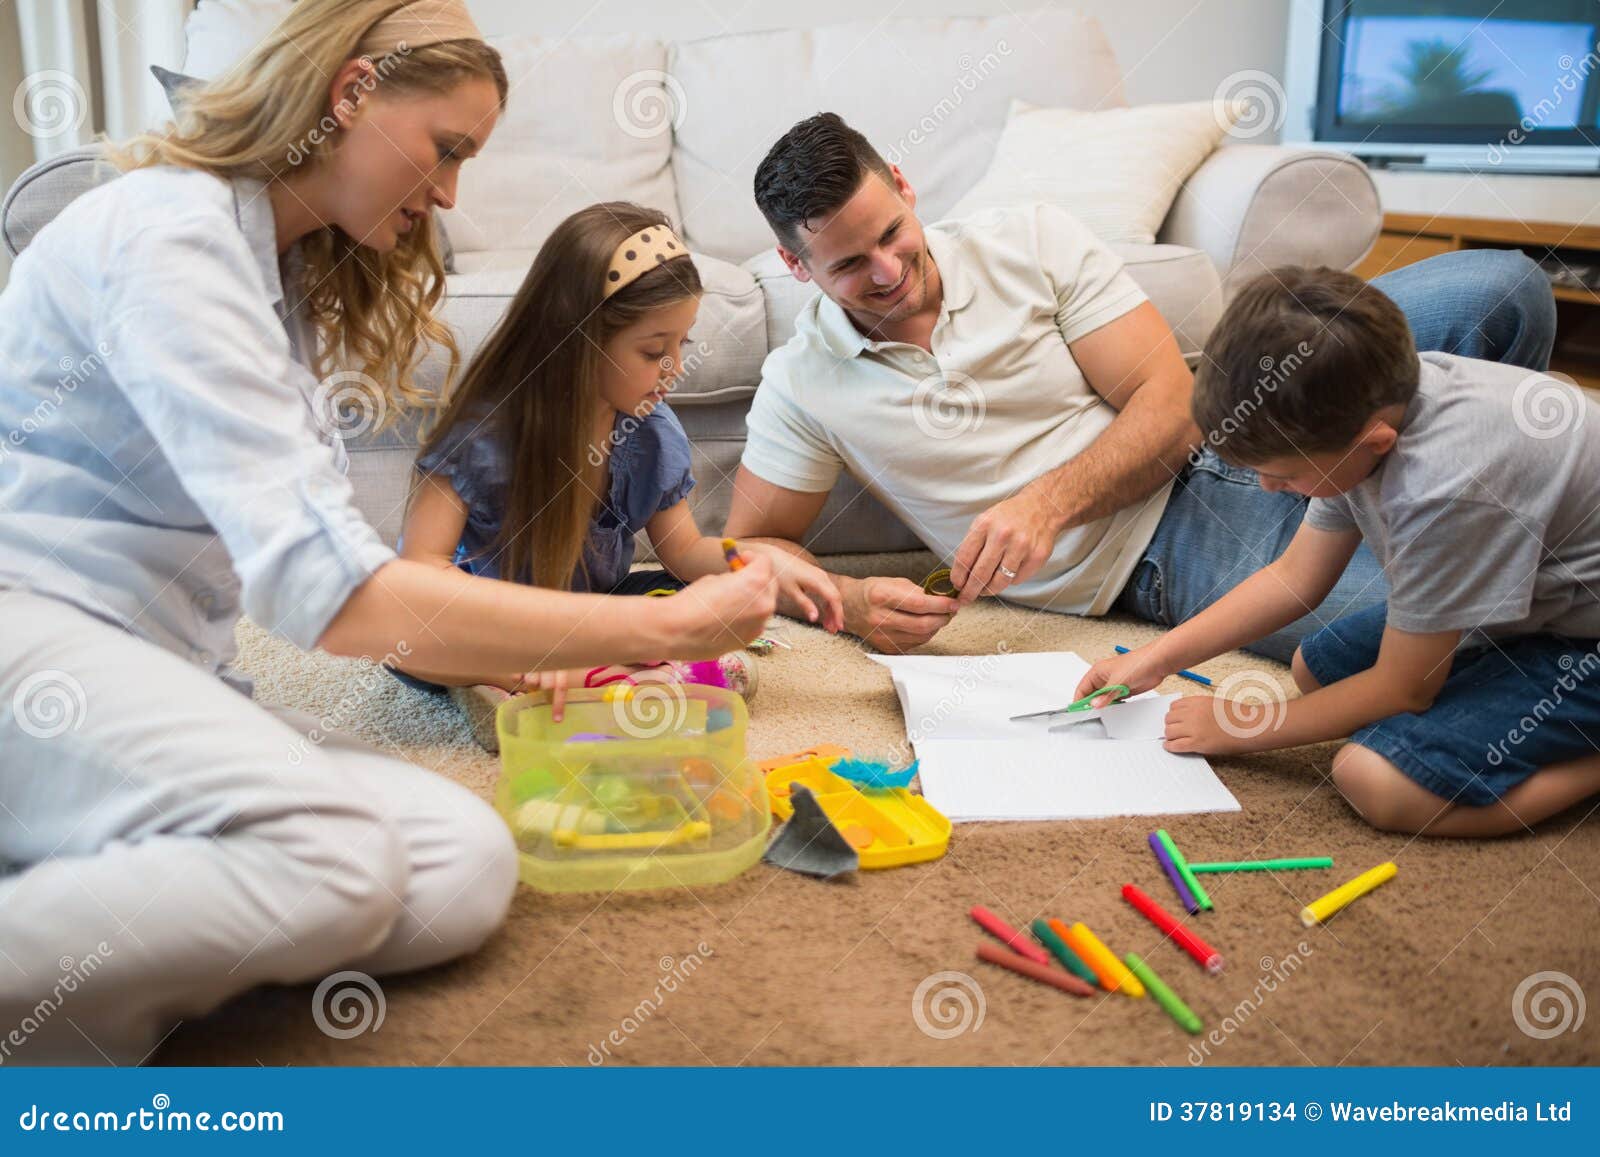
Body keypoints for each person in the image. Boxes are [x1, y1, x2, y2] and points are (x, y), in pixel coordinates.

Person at [0, 0, 774, 1064]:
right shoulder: (169, 236)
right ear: (351, 93)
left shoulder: (276, 274)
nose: (449, 193)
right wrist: (661, 630)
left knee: (462, 861)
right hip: (34, 641)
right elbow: (336, 597)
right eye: (445, 149)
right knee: (337, 857)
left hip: (165, 667)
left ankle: (68, 872)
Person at [724, 112, 1557, 660]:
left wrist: (1044, 504)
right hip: (1165, 554)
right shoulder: (802, 383)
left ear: (905, 188)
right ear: (796, 266)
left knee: (1504, 289)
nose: (888, 271)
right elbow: (748, 545)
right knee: (1479, 625)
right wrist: (849, 600)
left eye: (893, 233)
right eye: (848, 263)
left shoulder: (1028, 239)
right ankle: (1419, 521)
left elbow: (1172, 404)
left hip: (1238, 424)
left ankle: (1436, 497)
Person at [1078, 267, 1600, 837]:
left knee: (1375, 779)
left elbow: (1407, 688)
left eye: (1284, 476)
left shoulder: (1445, 488)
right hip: (1540, 604)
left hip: (1582, 643)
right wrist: (1155, 659)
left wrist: (1243, 726)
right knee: (1316, 669)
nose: (1267, 489)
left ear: (1374, 443)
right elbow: (1295, 578)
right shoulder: (1365, 411)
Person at [394, 201, 841, 722]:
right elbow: (419, 570)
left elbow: (685, 551)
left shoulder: (648, 430)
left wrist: (755, 563)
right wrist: (524, 643)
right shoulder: (482, 435)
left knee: (691, 598)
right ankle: (538, 677)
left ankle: (567, 680)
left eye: (683, 343)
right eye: (653, 352)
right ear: (576, 341)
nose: (675, 367)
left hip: (591, 615)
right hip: (492, 624)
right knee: (409, 634)